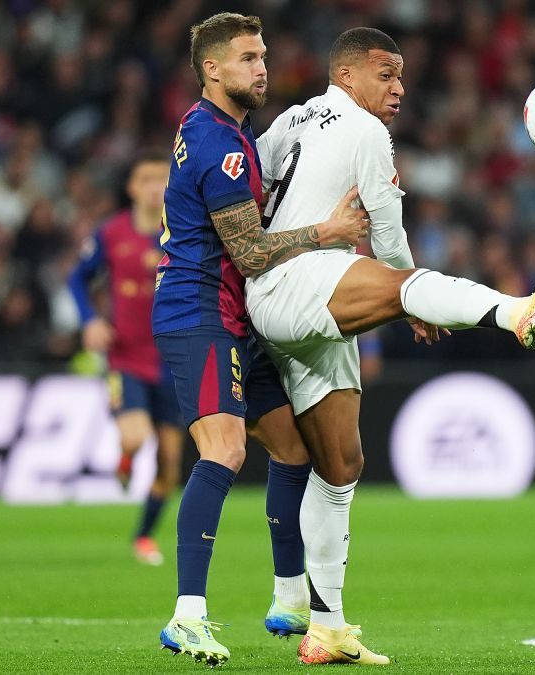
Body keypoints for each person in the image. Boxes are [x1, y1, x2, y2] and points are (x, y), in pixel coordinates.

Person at [246, 27, 535, 665]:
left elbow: (249, 194)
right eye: (386, 74)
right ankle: (518, 312)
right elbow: (388, 227)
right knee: (414, 286)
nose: (400, 87)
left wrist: (402, 295)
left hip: (292, 294)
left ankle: (326, 628)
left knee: (340, 466)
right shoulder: (365, 131)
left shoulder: (289, 120)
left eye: (401, 75)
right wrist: (407, 296)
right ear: (346, 77)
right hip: (300, 283)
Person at [151, 12, 371, 667]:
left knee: (293, 445)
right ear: (212, 69)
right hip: (199, 311)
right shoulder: (218, 143)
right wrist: (325, 233)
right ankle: (186, 614)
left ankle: (287, 598)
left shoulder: (230, 133)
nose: (261, 68)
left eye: (263, 55)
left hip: (235, 316)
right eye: (247, 58)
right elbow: (248, 251)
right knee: (222, 449)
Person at [67, 149, 184, 567]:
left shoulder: (182, 230)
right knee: (135, 437)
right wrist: (89, 321)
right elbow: (77, 278)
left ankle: (143, 536)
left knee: (170, 464)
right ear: (133, 188)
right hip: (126, 359)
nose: (155, 187)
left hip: (172, 361)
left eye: (161, 180)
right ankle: (125, 457)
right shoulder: (111, 233)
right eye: (146, 180)